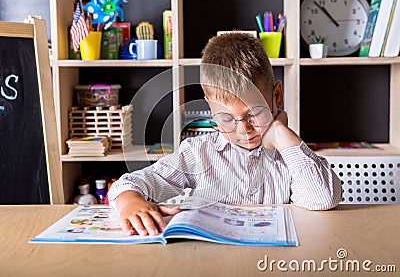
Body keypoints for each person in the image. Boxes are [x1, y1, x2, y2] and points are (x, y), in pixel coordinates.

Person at [108, 32, 342, 236]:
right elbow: (131, 183)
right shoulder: (198, 153)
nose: (244, 130)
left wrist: (281, 132)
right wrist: (130, 200)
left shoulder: (289, 155)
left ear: (277, 96)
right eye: (227, 118)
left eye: (253, 114)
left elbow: (322, 199)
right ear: (211, 109)